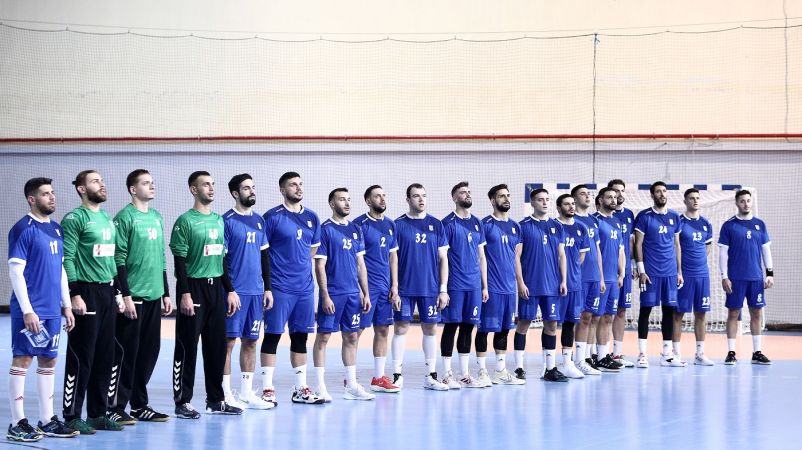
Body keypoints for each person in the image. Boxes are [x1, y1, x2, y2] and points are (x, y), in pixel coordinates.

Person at [7, 178, 77, 441]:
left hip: (52, 310)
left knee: (49, 360)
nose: (52, 197)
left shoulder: (57, 229)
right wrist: (27, 310)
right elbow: (16, 272)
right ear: (32, 199)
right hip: (31, 310)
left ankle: (47, 420)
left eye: (52, 192)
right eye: (46, 194)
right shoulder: (22, 229)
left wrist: (66, 305)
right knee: (23, 359)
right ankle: (17, 423)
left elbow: (60, 271)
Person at [170, 171, 242, 418]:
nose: (211, 188)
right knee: (187, 347)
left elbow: (221, 259)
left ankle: (216, 400)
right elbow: (179, 261)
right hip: (193, 288)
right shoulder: (185, 221)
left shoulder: (219, 220)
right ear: (193, 189)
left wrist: (229, 290)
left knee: (217, 348)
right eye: (205, 185)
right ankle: (182, 402)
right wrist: (185, 293)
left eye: (213, 184)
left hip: (216, 290)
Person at [61, 170, 124, 432]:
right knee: (82, 355)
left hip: (107, 293)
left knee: (105, 355)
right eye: (95, 181)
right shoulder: (74, 218)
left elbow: (111, 259)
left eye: (102, 180)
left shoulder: (107, 218)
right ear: (81, 189)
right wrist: (74, 294)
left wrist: (118, 292)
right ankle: (72, 415)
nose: (102, 184)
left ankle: (97, 413)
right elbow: (67, 258)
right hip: (86, 293)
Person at [108, 169, 172, 425]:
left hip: (155, 295)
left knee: (149, 352)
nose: (151, 186)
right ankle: (114, 406)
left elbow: (161, 258)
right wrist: (124, 294)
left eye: (152, 182)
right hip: (133, 297)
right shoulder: (124, 217)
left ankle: (139, 405)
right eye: (146, 183)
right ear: (133, 189)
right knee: (127, 353)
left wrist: (166, 292)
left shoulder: (156, 216)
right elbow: (118, 259)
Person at [259, 172, 324, 404]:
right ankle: (267, 389)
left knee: (300, 337)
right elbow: (262, 251)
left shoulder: (312, 217)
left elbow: (312, 249)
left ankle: (300, 389)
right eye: (293, 185)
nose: (298, 188)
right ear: (282, 189)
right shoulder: (272, 217)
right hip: (279, 287)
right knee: (273, 336)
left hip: (304, 289)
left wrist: (298, 264)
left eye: (300, 184)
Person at [312, 188, 375, 401]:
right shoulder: (325, 229)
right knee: (323, 337)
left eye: (348, 199)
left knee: (351, 337)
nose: (347, 203)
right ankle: (320, 387)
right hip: (334, 294)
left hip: (352, 295)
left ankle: (351, 385)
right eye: (342, 200)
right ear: (332, 204)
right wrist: (325, 295)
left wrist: (365, 293)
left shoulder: (356, 229)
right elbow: (319, 266)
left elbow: (360, 265)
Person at [221, 174, 274, 409]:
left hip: (256, 292)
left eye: (253, 187)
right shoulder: (226, 221)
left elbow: (264, 257)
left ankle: (245, 393)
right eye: (246, 188)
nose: (252, 191)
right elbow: (221, 260)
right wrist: (229, 290)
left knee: (251, 341)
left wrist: (268, 288)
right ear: (235, 193)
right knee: (228, 342)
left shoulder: (259, 220)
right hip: (235, 293)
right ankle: (224, 394)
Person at [391, 183, 450, 391]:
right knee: (401, 328)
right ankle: (397, 375)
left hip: (430, 288)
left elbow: (443, 259)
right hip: (405, 288)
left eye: (423, 195)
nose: (421, 199)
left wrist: (443, 289)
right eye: (416, 196)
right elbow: (393, 259)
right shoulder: (398, 225)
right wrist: (394, 288)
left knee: (431, 329)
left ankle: (431, 376)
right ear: (408, 200)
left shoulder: (436, 224)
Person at [514, 189, 568, 382]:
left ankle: (550, 368)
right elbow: (516, 257)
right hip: (530, 286)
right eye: (540, 200)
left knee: (551, 325)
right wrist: (520, 282)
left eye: (547, 199)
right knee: (524, 324)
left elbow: (562, 256)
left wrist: (563, 280)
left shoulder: (557, 226)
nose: (544, 203)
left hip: (552, 286)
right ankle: (519, 368)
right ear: (532, 203)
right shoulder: (523, 226)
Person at [439, 182, 489, 388]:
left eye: (469, 192)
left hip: (474, 286)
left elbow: (482, 257)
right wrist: (443, 288)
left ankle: (465, 374)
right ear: (454, 198)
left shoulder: (477, 223)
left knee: (469, 327)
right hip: (455, 284)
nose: (467, 195)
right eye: (462, 192)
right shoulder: (447, 223)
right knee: (451, 326)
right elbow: (442, 257)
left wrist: (484, 286)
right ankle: (446, 374)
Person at [355, 185, 401, 393]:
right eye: (377, 196)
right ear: (368, 201)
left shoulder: (390, 224)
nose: (382, 199)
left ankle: (378, 378)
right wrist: (360, 289)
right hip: (367, 288)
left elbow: (393, 257)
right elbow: (355, 260)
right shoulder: (359, 225)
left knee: (383, 330)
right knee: (355, 332)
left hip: (385, 288)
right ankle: (350, 377)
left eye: (384, 195)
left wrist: (395, 286)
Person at [719, 189, 773, 365]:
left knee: (756, 313)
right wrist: (724, 276)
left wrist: (769, 273)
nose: (746, 204)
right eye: (742, 201)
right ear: (737, 203)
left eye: (748, 200)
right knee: (733, 313)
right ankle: (731, 352)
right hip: (735, 278)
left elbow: (766, 250)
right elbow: (723, 253)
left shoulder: (760, 224)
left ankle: (757, 352)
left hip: (756, 278)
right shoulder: (729, 225)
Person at [477, 184, 524, 385]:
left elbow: (516, 258)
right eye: (501, 196)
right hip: (492, 288)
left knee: (504, 329)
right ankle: (481, 371)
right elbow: (479, 257)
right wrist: (483, 286)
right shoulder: (485, 225)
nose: (506, 199)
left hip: (509, 288)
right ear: (492, 200)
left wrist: (519, 282)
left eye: (508, 195)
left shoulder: (515, 227)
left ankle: (500, 370)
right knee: (484, 329)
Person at [633, 181, 684, 368]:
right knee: (645, 310)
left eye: (664, 191)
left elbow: (677, 245)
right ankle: (642, 354)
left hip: (670, 273)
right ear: (652, 195)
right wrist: (641, 270)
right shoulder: (644, 216)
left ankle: (667, 354)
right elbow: (638, 244)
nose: (662, 194)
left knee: (669, 311)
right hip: (651, 273)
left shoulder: (674, 216)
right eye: (658, 192)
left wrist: (679, 271)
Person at [675, 188, 714, 366]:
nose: (695, 201)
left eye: (698, 198)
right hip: (685, 275)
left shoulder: (706, 223)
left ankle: (699, 354)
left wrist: (699, 262)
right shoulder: (679, 222)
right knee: (678, 314)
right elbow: (675, 246)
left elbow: (708, 246)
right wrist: (681, 269)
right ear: (685, 201)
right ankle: (675, 353)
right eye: (691, 198)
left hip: (702, 276)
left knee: (701, 314)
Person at [554, 193, 590, 379]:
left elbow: (581, 257)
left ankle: (567, 363)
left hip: (574, 284)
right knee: (550, 323)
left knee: (570, 323)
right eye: (567, 204)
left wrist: (571, 274)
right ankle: (548, 365)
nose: (571, 207)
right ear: (559, 208)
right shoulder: (553, 226)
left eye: (573, 204)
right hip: (553, 284)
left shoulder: (581, 228)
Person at [571, 185, 604, 375]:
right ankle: (570, 359)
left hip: (593, 277)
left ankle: (581, 359)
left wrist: (601, 276)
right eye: (583, 194)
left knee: (588, 317)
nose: (588, 196)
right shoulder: (570, 220)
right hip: (577, 277)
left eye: (589, 193)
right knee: (574, 318)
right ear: (575, 199)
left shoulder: (593, 220)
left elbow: (597, 250)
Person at [592, 188, 625, 372]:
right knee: (593, 317)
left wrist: (622, 273)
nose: (614, 200)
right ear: (600, 200)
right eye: (609, 197)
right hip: (599, 278)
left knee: (608, 317)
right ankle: (588, 356)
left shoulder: (617, 222)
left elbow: (621, 250)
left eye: (615, 197)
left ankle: (603, 356)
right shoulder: (594, 220)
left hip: (614, 278)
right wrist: (600, 276)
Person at [608, 179, 636, 368]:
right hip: (608, 270)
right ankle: (597, 353)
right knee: (602, 313)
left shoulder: (629, 215)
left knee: (621, 310)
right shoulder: (602, 216)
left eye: (621, 190)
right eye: (615, 191)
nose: (619, 194)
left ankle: (617, 353)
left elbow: (631, 243)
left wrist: (633, 264)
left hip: (624, 270)